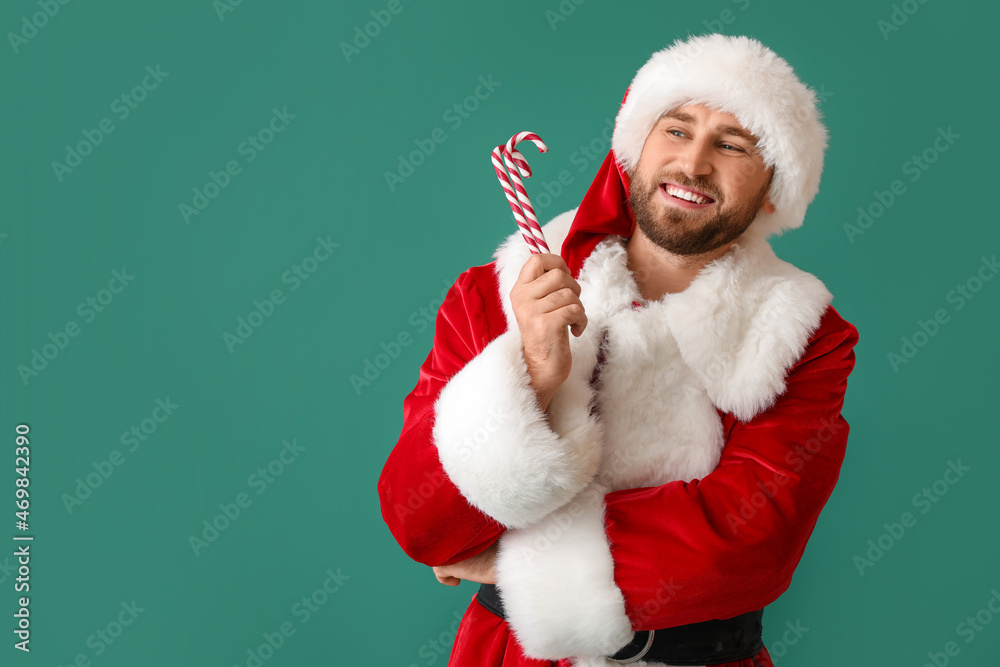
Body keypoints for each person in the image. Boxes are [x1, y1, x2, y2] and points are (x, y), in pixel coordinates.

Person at [377, 33, 860, 667]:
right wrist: (531, 377)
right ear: (635, 150)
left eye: (733, 144)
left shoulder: (804, 338)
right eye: (677, 130)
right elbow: (423, 524)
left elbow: (744, 544)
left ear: (773, 189)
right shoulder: (495, 294)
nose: (693, 165)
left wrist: (506, 563)